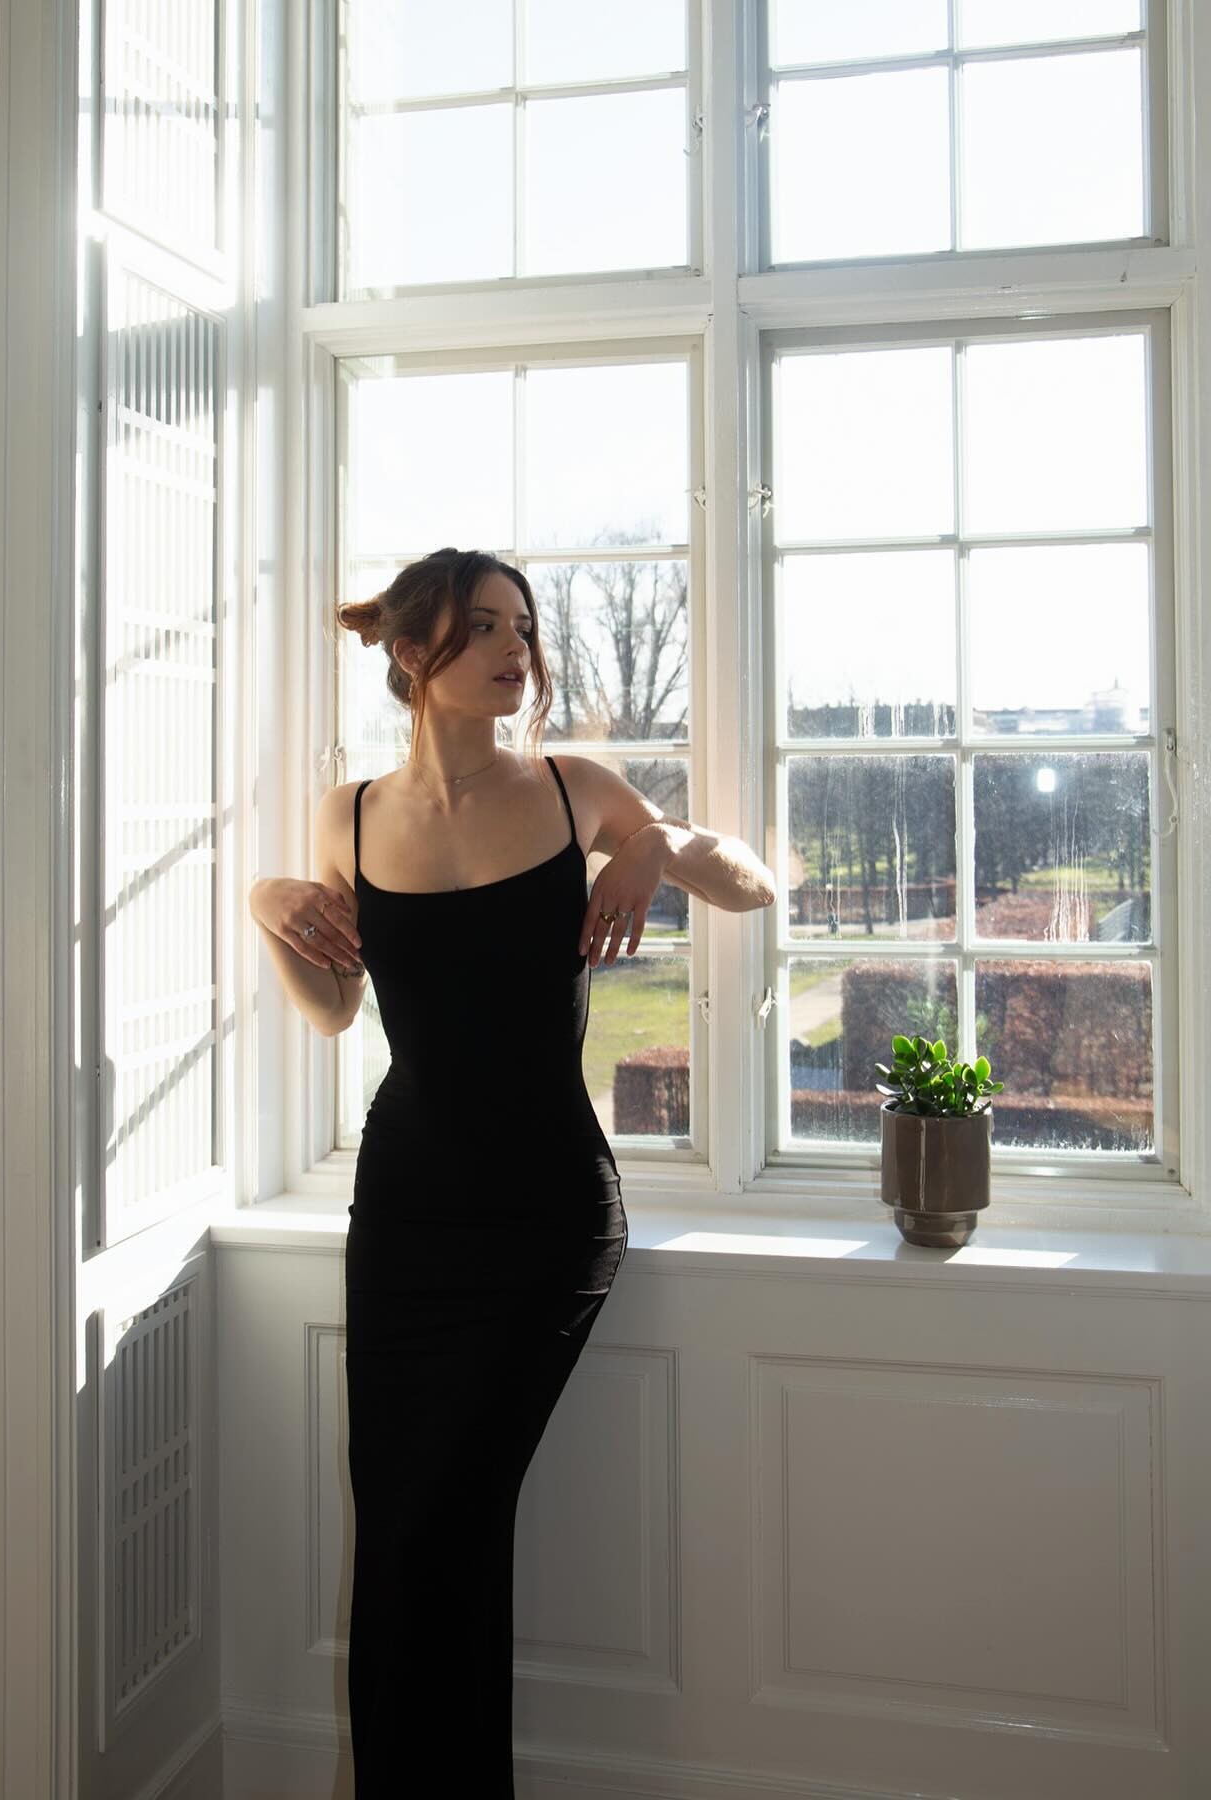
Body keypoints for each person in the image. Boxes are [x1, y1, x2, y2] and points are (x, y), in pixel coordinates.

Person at [248, 546, 775, 1796]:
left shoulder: (572, 788)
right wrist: (269, 906)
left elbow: (753, 887)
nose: (514, 651)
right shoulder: (350, 814)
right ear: (411, 651)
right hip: (406, 1218)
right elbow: (332, 1009)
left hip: (546, 1220)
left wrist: (654, 842)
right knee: (405, 1528)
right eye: (484, 627)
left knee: (450, 1515)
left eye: (523, 630)